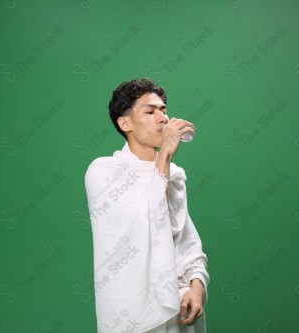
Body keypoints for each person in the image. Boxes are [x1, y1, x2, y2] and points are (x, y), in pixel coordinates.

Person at [84, 78, 209, 332]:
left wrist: (197, 287)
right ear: (125, 123)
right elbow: (145, 220)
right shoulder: (103, 172)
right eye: (150, 111)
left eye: (163, 110)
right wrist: (164, 155)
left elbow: (185, 242)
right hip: (132, 312)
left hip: (178, 308)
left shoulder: (173, 174)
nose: (162, 118)